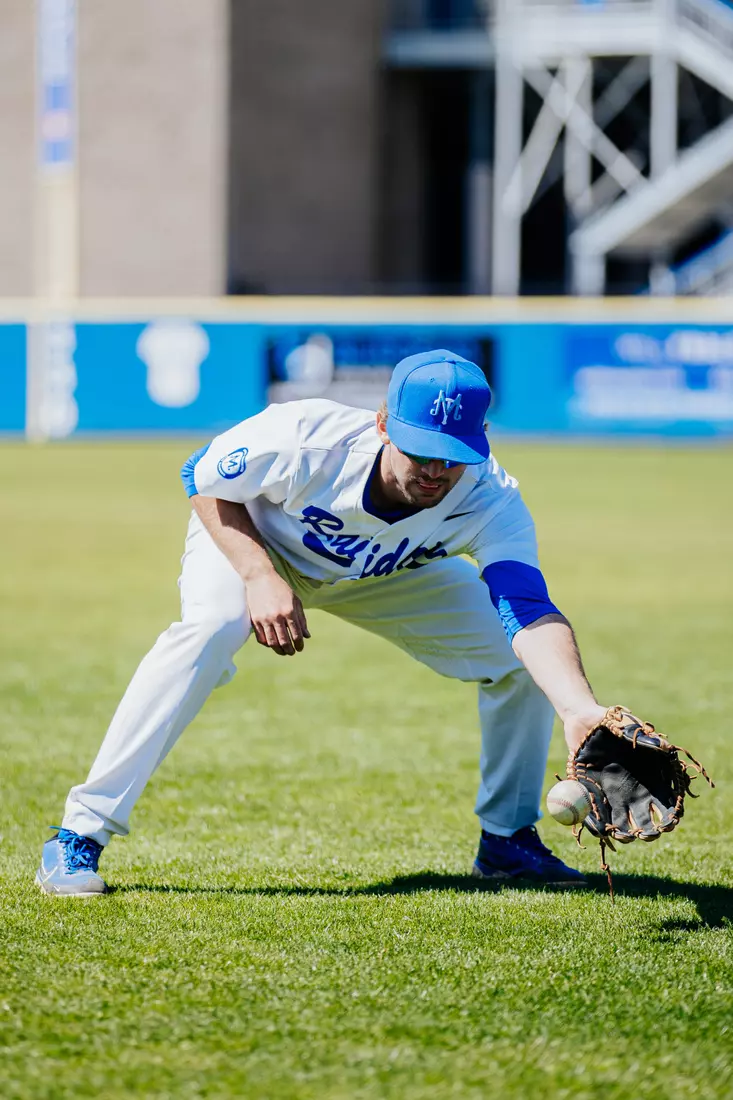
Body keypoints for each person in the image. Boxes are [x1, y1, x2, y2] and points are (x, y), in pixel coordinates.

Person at [36, 350, 608, 896]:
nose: (436, 470)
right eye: (422, 450)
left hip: (381, 573)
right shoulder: (307, 437)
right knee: (209, 630)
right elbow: (202, 478)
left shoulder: (490, 498)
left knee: (520, 660)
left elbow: (526, 608)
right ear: (384, 423)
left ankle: (506, 840)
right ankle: (79, 833)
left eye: (453, 455)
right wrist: (258, 575)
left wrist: (579, 709)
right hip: (260, 544)